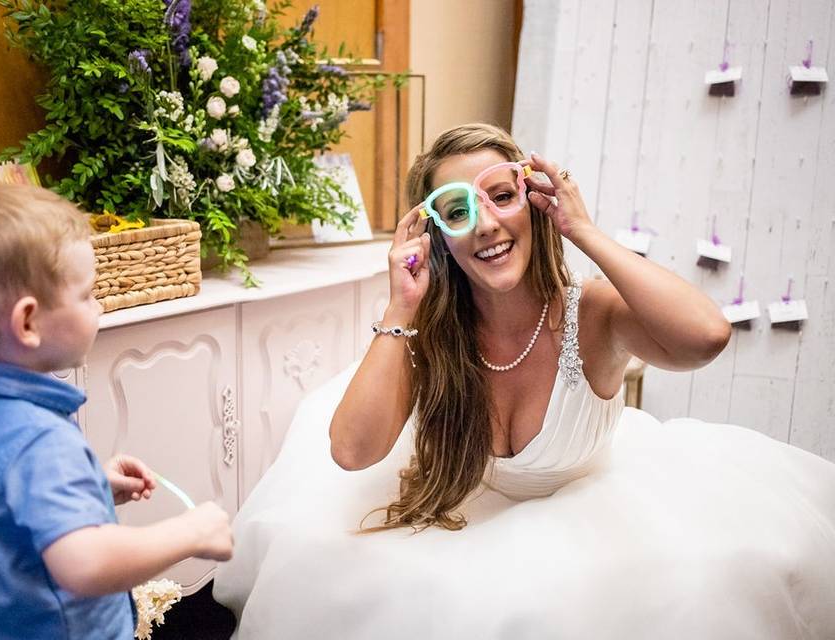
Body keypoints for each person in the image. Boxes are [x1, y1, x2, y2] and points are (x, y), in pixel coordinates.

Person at [213, 123, 835, 639]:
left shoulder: (592, 314)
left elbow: (706, 336)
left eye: (500, 196)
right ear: (437, 236)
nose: (483, 224)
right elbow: (351, 452)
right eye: (456, 211)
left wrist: (582, 230)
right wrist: (400, 306)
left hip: (599, 525)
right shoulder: (432, 332)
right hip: (468, 521)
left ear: (534, 201)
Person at [0, 181, 234, 640]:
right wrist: (191, 533)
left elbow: (0, 511)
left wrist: (92, 485)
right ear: (27, 322)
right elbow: (87, 563)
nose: (98, 306)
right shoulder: (39, 438)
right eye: (86, 295)